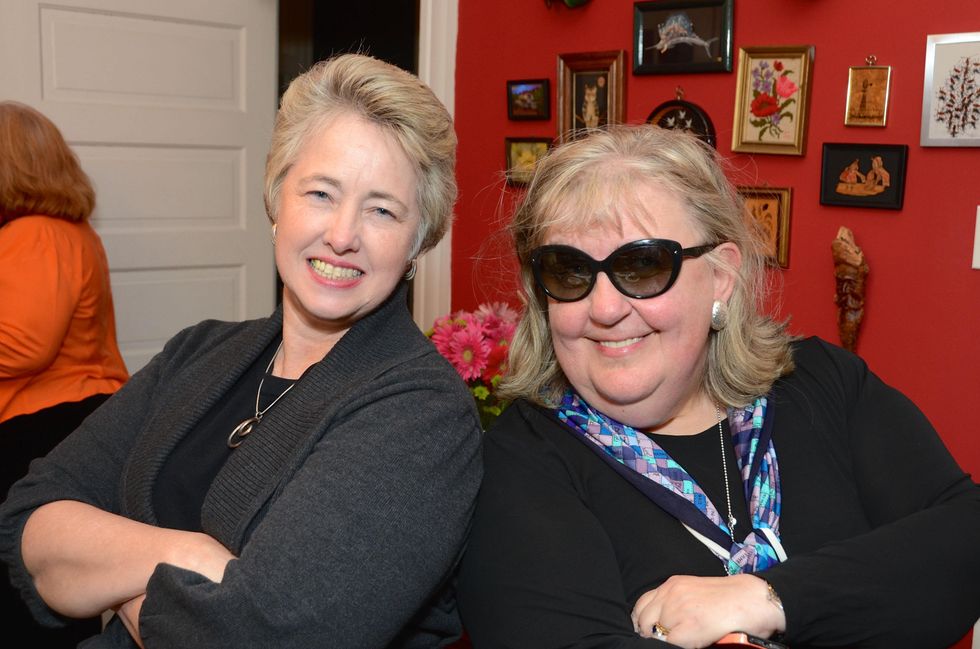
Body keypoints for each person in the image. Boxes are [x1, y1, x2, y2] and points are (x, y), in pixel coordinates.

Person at [0, 53, 483, 648]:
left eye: (382, 209)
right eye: (321, 193)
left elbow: (260, 638)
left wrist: (108, 574)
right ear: (277, 202)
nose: (342, 235)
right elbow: (30, 518)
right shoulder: (198, 352)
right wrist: (189, 556)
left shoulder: (423, 414)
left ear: (417, 241)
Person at [456, 125, 980, 649]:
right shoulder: (520, 461)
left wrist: (768, 598)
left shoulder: (823, 382)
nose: (605, 308)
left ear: (721, 277)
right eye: (570, 271)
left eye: (643, 265)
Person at [0, 100, 130, 646]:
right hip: (61, 419)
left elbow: (22, 345)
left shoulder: (38, 233)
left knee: (27, 585)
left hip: (44, 423)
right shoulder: (62, 232)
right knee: (53, 578)